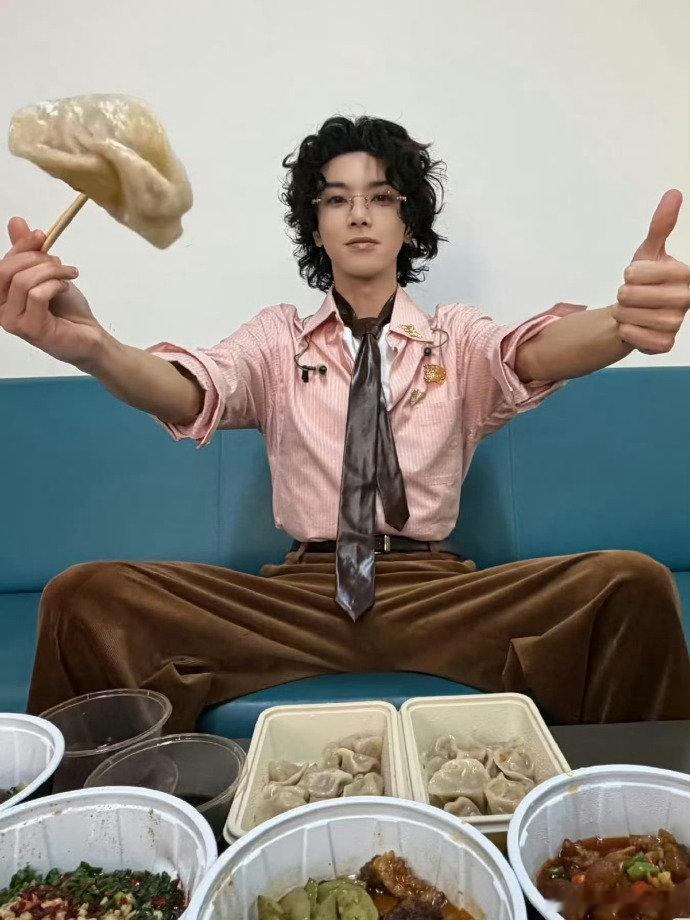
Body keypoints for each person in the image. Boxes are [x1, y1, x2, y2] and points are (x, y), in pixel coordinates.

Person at [2, 115, 689, 731]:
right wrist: (97, 350)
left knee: (630, 583)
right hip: (298, 602)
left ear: (408, 223)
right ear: (316, 226)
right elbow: (188, 390)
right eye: (336, 199)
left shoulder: (455, 339)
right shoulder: (277, 342)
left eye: (381, 197)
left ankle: (632, 818)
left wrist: (621, 324)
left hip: (438, 596)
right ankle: (76, 827)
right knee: (85, 595)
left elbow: (531, 352)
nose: (359, 214)